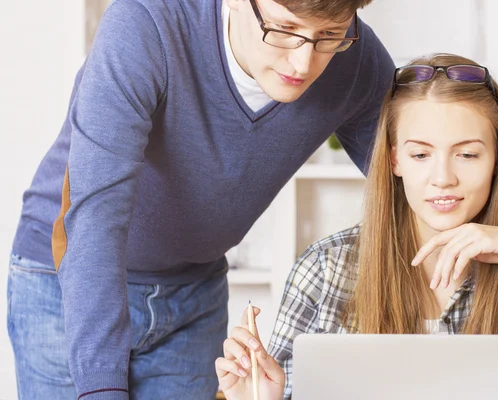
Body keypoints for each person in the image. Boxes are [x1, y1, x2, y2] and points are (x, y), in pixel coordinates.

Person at [7, 0, 395, 398]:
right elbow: (96, 217)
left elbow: (412, 179)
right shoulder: (146, 24)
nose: (302, 63)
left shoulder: (357, 59)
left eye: (329, 36)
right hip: (66, 279)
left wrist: (465, 229)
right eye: (283, 29)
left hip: (193, 295)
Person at [216, 53, 498, 400]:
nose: (443, 178)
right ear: (395, 159)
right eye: (420, 154)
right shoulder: (326, 269)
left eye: (467, 154)